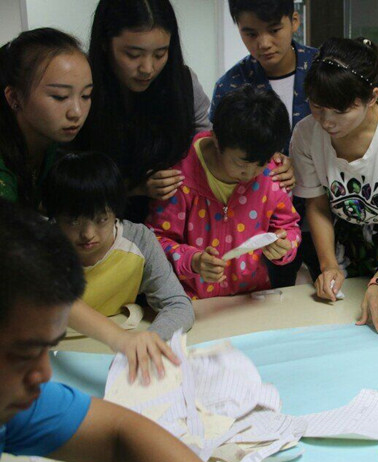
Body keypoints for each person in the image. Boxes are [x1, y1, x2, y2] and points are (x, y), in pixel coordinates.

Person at [0, 199, 204, 462]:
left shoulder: (15, 403)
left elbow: (119, 430)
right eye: (23, 354)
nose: (45, 374)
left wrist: (120, 338)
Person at [79, 0, 294, 223]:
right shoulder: (83, 88)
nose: (147, 68)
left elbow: (210, 145)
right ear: (104, 43)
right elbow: (68, 180)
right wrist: (135, 187)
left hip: (174, 226)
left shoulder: (181, 84)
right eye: (133, 55)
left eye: (160, 54)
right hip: (93, 223)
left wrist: (262, 157)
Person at [292, 37, 378, 337]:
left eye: (341, 111)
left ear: (372, 97)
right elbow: (317, 204)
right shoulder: (306, 134)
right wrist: (329, 266)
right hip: (349, 242)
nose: (327, 121)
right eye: (317, 106)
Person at [42, 152, 194, 384]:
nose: (88, 234)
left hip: (109, 354)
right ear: (53, 216)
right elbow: (60, 303)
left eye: (101, 219)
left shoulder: (139, 240)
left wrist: (149, 340)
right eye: (73, 221)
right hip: (49, 355)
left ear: (116, 211)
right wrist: (121, 339)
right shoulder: (38, 246)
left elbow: (178, 305)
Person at [147, 85, 301, 299]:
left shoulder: (271, 174)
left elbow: (289, 227)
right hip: (190, 302)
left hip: (251, 299)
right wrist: (193, 261)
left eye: (262, 163)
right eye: (241, 163)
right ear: (216, 140)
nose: (251, 173)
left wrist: (285, 247)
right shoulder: (180, 177)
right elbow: (156, 240)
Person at [211, 0, 318, 288]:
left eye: (274, 30)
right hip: (264, 225)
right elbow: (223, 156)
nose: (264, 43)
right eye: (250, 33)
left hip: (326, 214)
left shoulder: (322, 71)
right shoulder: (230, 86)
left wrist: (300, 162)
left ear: (294, 21)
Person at [0, 28, 92, 208]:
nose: (76, 112)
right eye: (60, 97)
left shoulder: (51, 139)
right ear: (14, 97)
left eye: (86, 95)